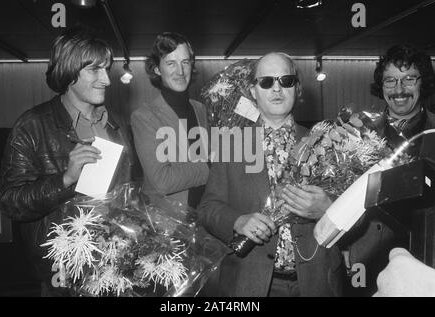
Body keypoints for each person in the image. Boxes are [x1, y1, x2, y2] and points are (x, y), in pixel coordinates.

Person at [0, 28, 140, 296]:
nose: (106, 80)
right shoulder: (32, 126)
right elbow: (11, 203)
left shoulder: (117, 124)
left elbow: (129, 191)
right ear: (69, 71)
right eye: (94, 70)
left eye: (107, 69)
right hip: (63, 275)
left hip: (117, 266)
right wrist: (66, 179)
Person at [198, 52, 343, 297]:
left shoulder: (327, 143)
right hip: (250, 283)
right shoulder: (230, 145)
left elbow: (356, 214)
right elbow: (208, 207)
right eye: (266, 81)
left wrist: (328, 208)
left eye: (285, 80)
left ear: (297, 88)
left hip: (316, 282)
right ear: (253, 91)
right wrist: (237, 221)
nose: (277, 88)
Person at [344, 44, 435, 295]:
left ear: (422, 83)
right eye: (390, 81)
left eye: (408, 79)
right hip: (365, 260)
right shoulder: (358, 133)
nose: (399, 90)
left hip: (425, 263)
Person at [131, 32, 209, 208]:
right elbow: (162, 181)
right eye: (171, 63)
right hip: (169, 222)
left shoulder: (200, 109)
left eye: (185, 62)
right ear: (157, 69)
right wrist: (211, 166)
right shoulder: (145, 117)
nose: (180, 71)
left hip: (206, 214)